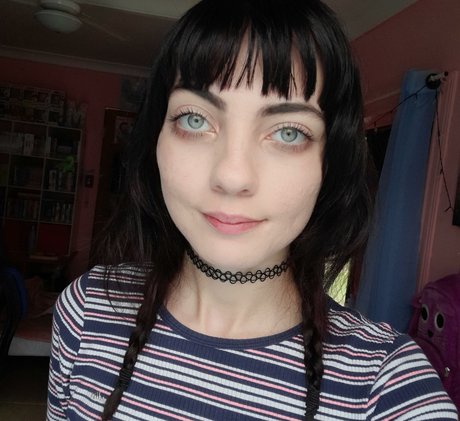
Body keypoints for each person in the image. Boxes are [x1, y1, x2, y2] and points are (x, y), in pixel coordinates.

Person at [47, 0, 458, 420]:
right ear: (155, 139)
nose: (232, 176)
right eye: (194, 120)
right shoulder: (87, 309)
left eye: (288, 132)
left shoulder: (385, 384)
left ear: (329, 164)